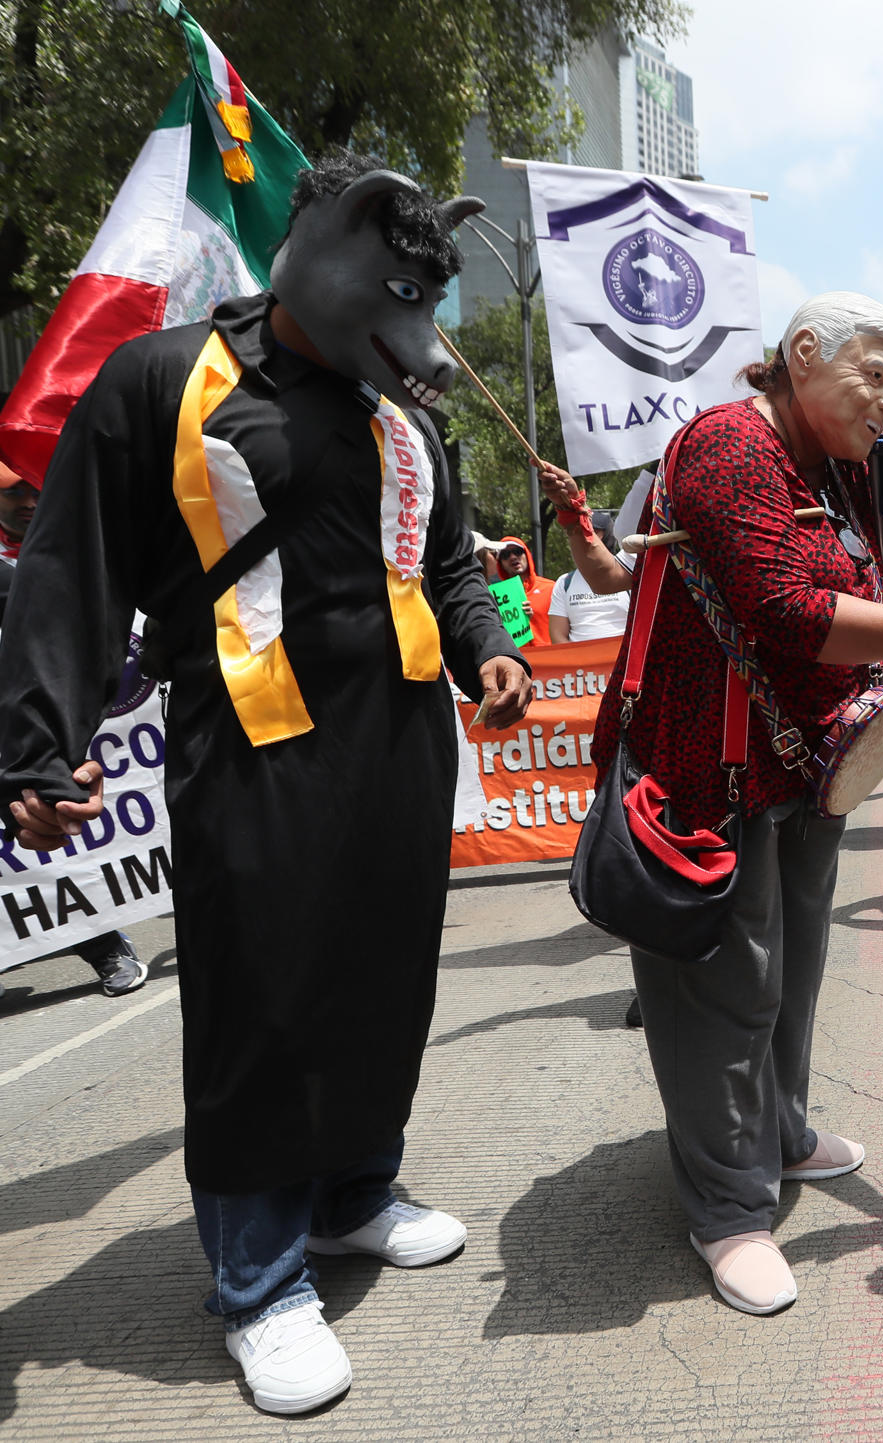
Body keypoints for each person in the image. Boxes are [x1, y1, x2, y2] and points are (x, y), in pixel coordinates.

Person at [0, 154, 533, 1415]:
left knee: (383, 975)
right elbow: (71, 569)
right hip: (253, 742)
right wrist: (34, 743)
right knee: (263, 997)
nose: (424, 344)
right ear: (330, 256)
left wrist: (491, 647)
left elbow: (445, 562)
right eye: (400, 297)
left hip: (401, 737)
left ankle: (356, 1195)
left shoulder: (407, 415)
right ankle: (255, 1278)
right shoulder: (164, 380)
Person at [585, 291, 883, 1318]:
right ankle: (727, 1206)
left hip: (802, 770)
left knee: (792, 975)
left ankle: (779, 1137)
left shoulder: (841, 473)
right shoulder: (726, 448)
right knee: (724, 994)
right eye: (869, 375)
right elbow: (785, 614)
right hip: (708, 773)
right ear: (800, 356)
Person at [0, 460, 149, 996]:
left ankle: (104, 944)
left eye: (35, 488)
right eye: (12, 491)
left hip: (26, 734)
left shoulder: (32, 572)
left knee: (45, 834)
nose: (26, 501)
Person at [547, 513, 632, 644]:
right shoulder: (564, 583)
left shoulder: (628, 575)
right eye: (580, 531)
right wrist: (577, 662)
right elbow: (557, 634)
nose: (585, 537)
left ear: (608, 534)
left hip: (624, 661)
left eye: (593, 531)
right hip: (579, 662)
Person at [494, 535, 552, 644]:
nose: (513, 557)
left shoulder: (551, 588)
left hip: (549, 657)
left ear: (527, 554)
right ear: (500, 563)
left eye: (517, 551)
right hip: (517, 659)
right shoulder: (496, 598)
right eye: (505, 555)